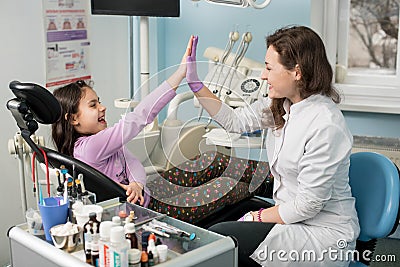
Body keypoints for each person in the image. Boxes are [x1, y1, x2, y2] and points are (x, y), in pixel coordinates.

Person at [185, 26, 360, 266]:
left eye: (269, 68)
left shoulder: (326, 125)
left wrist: (256, 217)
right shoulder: (282, 105)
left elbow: (308, 205)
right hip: (293, 220)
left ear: (296, 72)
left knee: (222, 242)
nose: (263, 75)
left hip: (322, 237)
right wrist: (196, 84)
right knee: (215, 228)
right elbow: (235, 121)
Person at [51, 37, 271, 224]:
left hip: (151, 193)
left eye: (98, 102)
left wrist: (138, 183)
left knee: (212, 159)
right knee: (228, 185)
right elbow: (138, 118)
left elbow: (132, 161)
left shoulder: (101, 140)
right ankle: (282, 197)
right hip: (149, 212)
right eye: (93, 105)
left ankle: (278, 181)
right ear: (73, 119)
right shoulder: (88, 149)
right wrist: (179, 75)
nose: (102, 107)